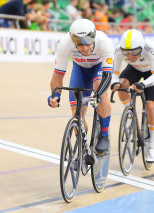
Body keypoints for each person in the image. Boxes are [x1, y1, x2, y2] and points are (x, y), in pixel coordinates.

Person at [48, 19, 113, 155]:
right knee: (77, 113)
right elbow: (58, 76)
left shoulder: (104, 42)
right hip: (80, 70)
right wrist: (55, 96)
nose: (84, 48)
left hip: (98, 68)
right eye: (79, 45)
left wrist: (97, 94)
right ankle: (84, 150)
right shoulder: (65, 44)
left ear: (94, 36)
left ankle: (104, 134)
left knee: (101, 93)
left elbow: (107, 76)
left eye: (88, 43)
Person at [111, 29, 154, 162]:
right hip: (134, 69)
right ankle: (130, 115)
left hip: (151, 73)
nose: (130, 55)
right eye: (126, 53)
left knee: (150, 106)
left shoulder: (150, 47)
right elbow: (114, 74)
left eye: (134, 52)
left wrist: (143, 85)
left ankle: (152, 146)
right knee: (121, 85)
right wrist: (114, 83)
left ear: (141, 47)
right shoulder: (118, 50)